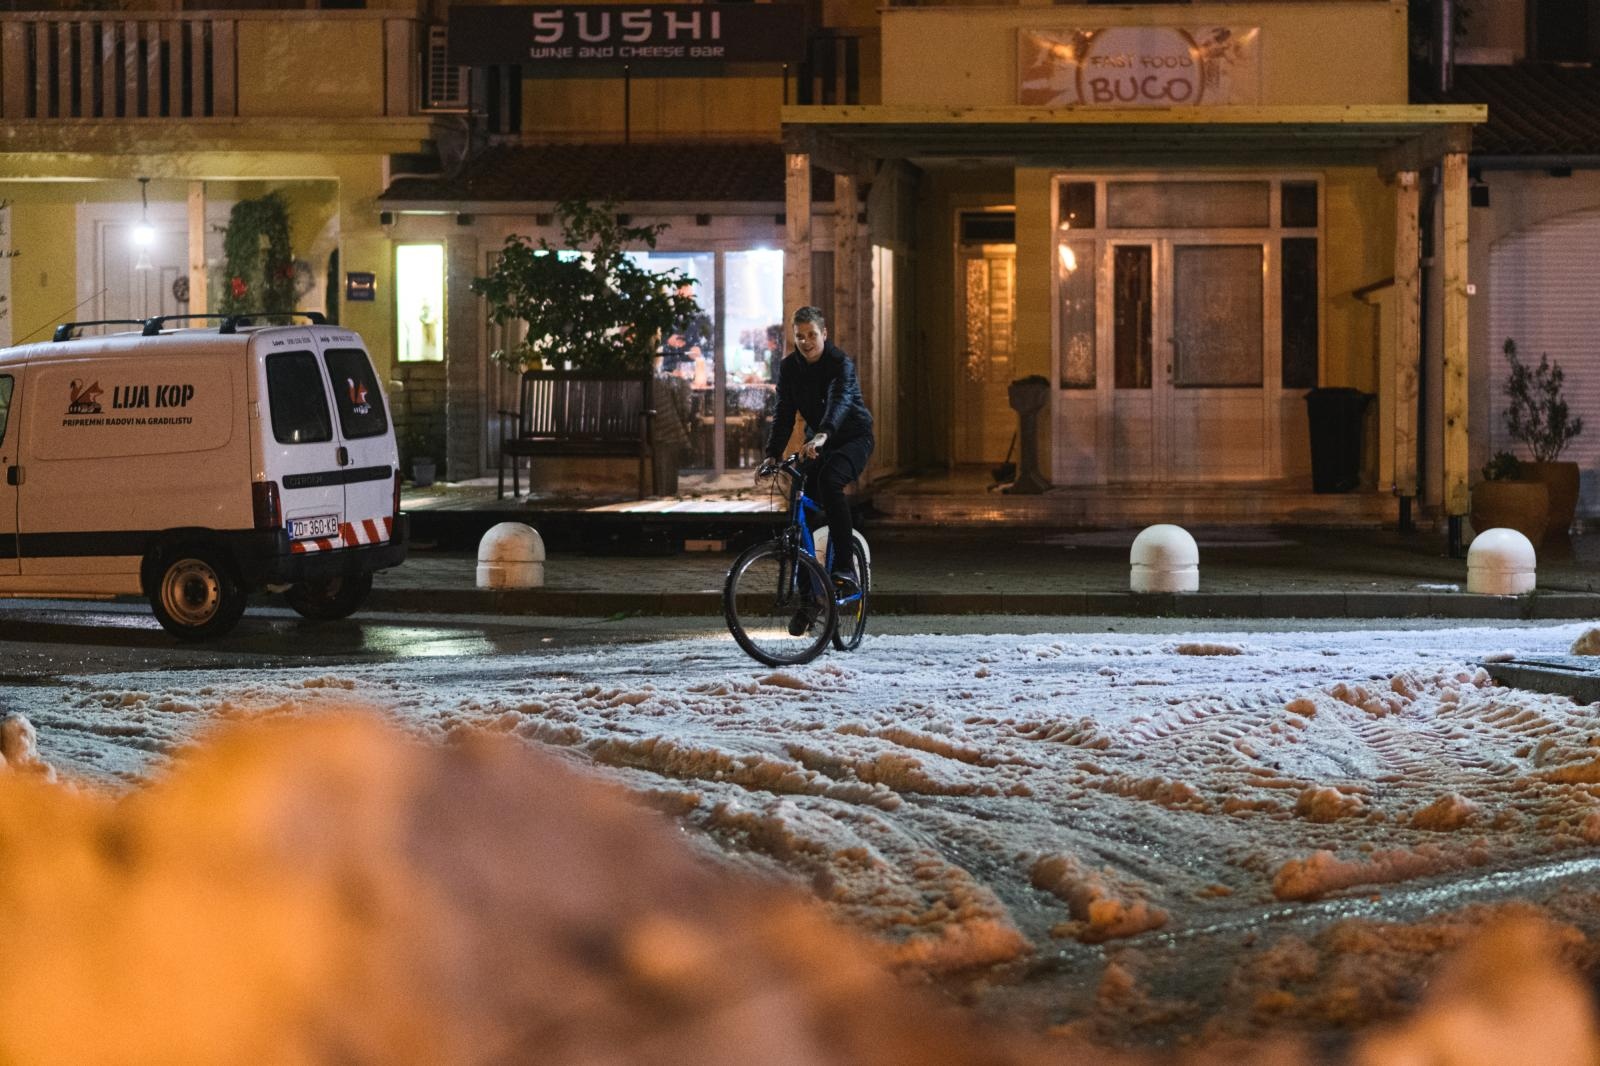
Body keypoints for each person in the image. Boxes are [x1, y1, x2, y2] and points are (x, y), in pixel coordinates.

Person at [759, 306, 874, 622]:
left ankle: (845, 568)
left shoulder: (839, 364)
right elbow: (784, 412)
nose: (806, 342)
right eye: (800, 336)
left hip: (851, 437)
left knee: (830, 481)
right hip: (816, 443)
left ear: (824, 334)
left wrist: (823, 435)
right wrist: (772, 454)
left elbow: (840, 402)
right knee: (799, 505)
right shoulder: (790, 368)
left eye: (812, 335)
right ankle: (808, 599)